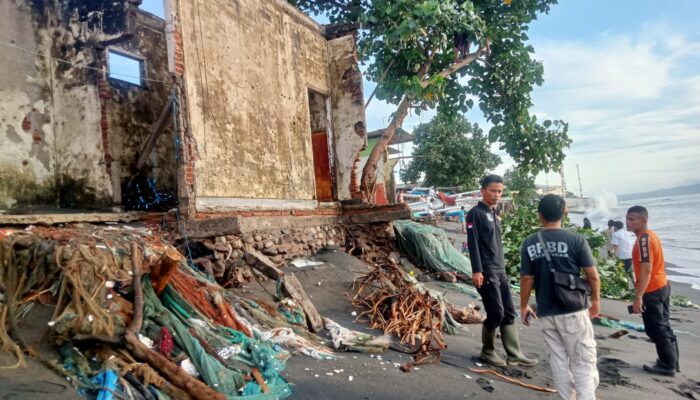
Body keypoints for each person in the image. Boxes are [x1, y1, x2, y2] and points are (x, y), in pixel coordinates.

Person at [520, 194, 601, 400]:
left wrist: (523, 307)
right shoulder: (576, 239)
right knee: (582, 359)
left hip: (546, 311)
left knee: (558, 360)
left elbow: (527, 279)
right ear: (565, 213)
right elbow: (592, 276)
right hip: (573, 309)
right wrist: (596, 302)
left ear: (540, 216)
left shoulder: (530, 242)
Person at [467, 174, 536, 367]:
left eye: (500, 191)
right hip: (486, 271)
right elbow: (473, 243)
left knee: (508, 311)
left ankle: (514, 353)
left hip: (500, 270)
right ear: (483, 191)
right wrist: (477, 270)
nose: (497, 195)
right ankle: (487, 351)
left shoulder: (494, 213)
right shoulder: (475, 214)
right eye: (493, 191)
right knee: (495, 312)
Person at [626, 206, 680, 376]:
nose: (629, 222)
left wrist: (639, 297)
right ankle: (672, 362)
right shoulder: (651, 236)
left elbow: (646, 270)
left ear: (644, 220)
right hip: (662, 285)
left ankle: (667, 365)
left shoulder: (644, 240)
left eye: (633, 219)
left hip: (653, 289)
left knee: (656, 328)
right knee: (664, 325)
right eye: (627, 218)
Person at [611, 220, 635, 290]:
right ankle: (634, 285)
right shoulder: (627, 232)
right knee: (628, 271)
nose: (613, 228)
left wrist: (611, 254)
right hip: (631, 254)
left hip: (623, 256)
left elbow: (615, 247)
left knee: (623, 271)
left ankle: (626, 287)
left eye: (614, 227)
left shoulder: (616, 234)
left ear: (616, 227)